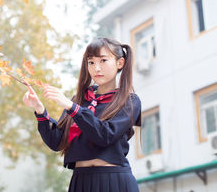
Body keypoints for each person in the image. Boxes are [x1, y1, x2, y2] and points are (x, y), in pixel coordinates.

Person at [22, 37, 141, 192]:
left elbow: (106, 135)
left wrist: (72, 108)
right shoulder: (79, 101)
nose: (96, 68)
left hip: (114, 180)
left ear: (120, 63)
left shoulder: (130, 101)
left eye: (103, 61)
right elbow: (57, 142)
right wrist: (40, 110)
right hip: (81, 181)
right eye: (91, 62)